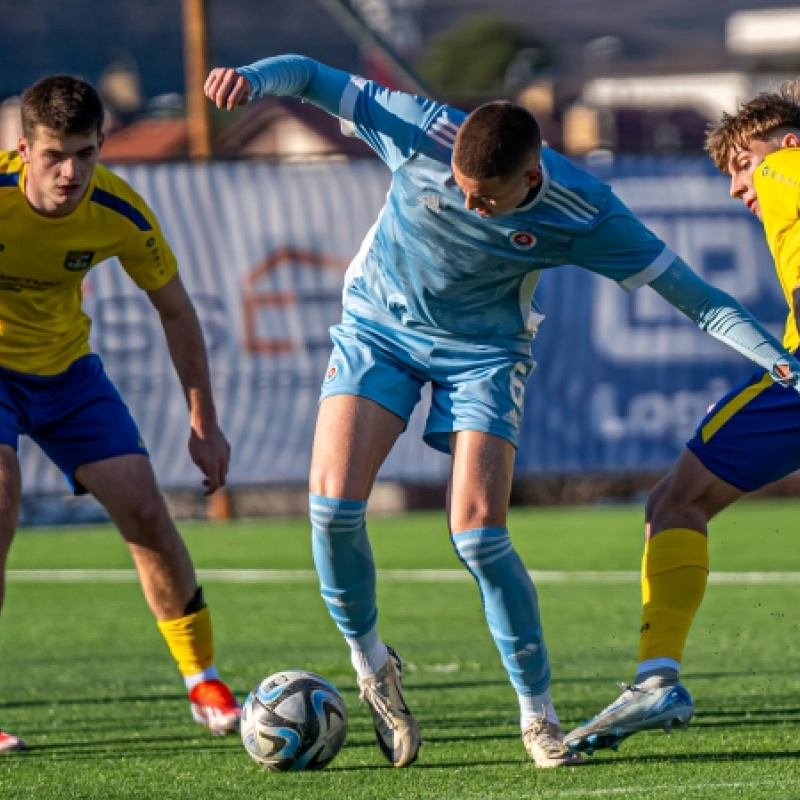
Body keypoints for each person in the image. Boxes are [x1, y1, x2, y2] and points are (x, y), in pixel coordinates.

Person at [206, 58, 800, 769]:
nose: (467, 204)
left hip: (483, 353)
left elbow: (698, 299)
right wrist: (252, 76)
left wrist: (778, 359)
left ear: (531, 178)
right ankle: (373, 669)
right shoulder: (419, 131)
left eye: (483, 199)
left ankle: (538, 719)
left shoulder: (587, 212)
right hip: (377, 329)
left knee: (480, 536)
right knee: (331, 509)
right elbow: (307, 76)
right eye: (458, 191)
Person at [0, 76, 240, 752]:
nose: (71, 171)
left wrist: (204, 422)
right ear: (23, 150)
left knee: (144, 510)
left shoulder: (120, 212)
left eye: (85, 152)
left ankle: (204, 680)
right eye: (54, 155)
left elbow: (177, 310)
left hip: (67, 374)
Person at [564, 79, 800, 755]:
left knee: (675, 502)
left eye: (741, 165)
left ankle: (655, 678)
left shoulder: (788, 165)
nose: (736, 188)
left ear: (783, 144)